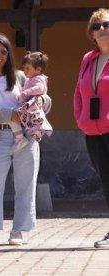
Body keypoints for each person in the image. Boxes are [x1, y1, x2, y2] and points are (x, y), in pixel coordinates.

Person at [0, 32, 51, 247]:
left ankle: (19, 231)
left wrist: (42, 100)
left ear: (8, 54)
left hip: (27, 135)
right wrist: (9, 114)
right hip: (0, 136)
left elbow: (44, 97)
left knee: (25, 185)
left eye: (3, 51)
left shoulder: (20, 76)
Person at [74, 8, 109, 248]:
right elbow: (79, 90)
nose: (102, 30)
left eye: (107, 24)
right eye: (97, 27)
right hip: (93, 131)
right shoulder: (89, 59)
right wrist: (80, 117)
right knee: (106, 180)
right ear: (91, 34)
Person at [15, 51, 53, 145]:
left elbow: (40, 88)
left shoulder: (38, 78)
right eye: (24, 68)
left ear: (38, 69)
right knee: (28, 120)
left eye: (28, 68)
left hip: (33, 104)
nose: (25, 71)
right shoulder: (32, 78)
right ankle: (22, 137)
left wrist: (27, 92)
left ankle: (33, 133)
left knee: (35, 120)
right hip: (30, 105)